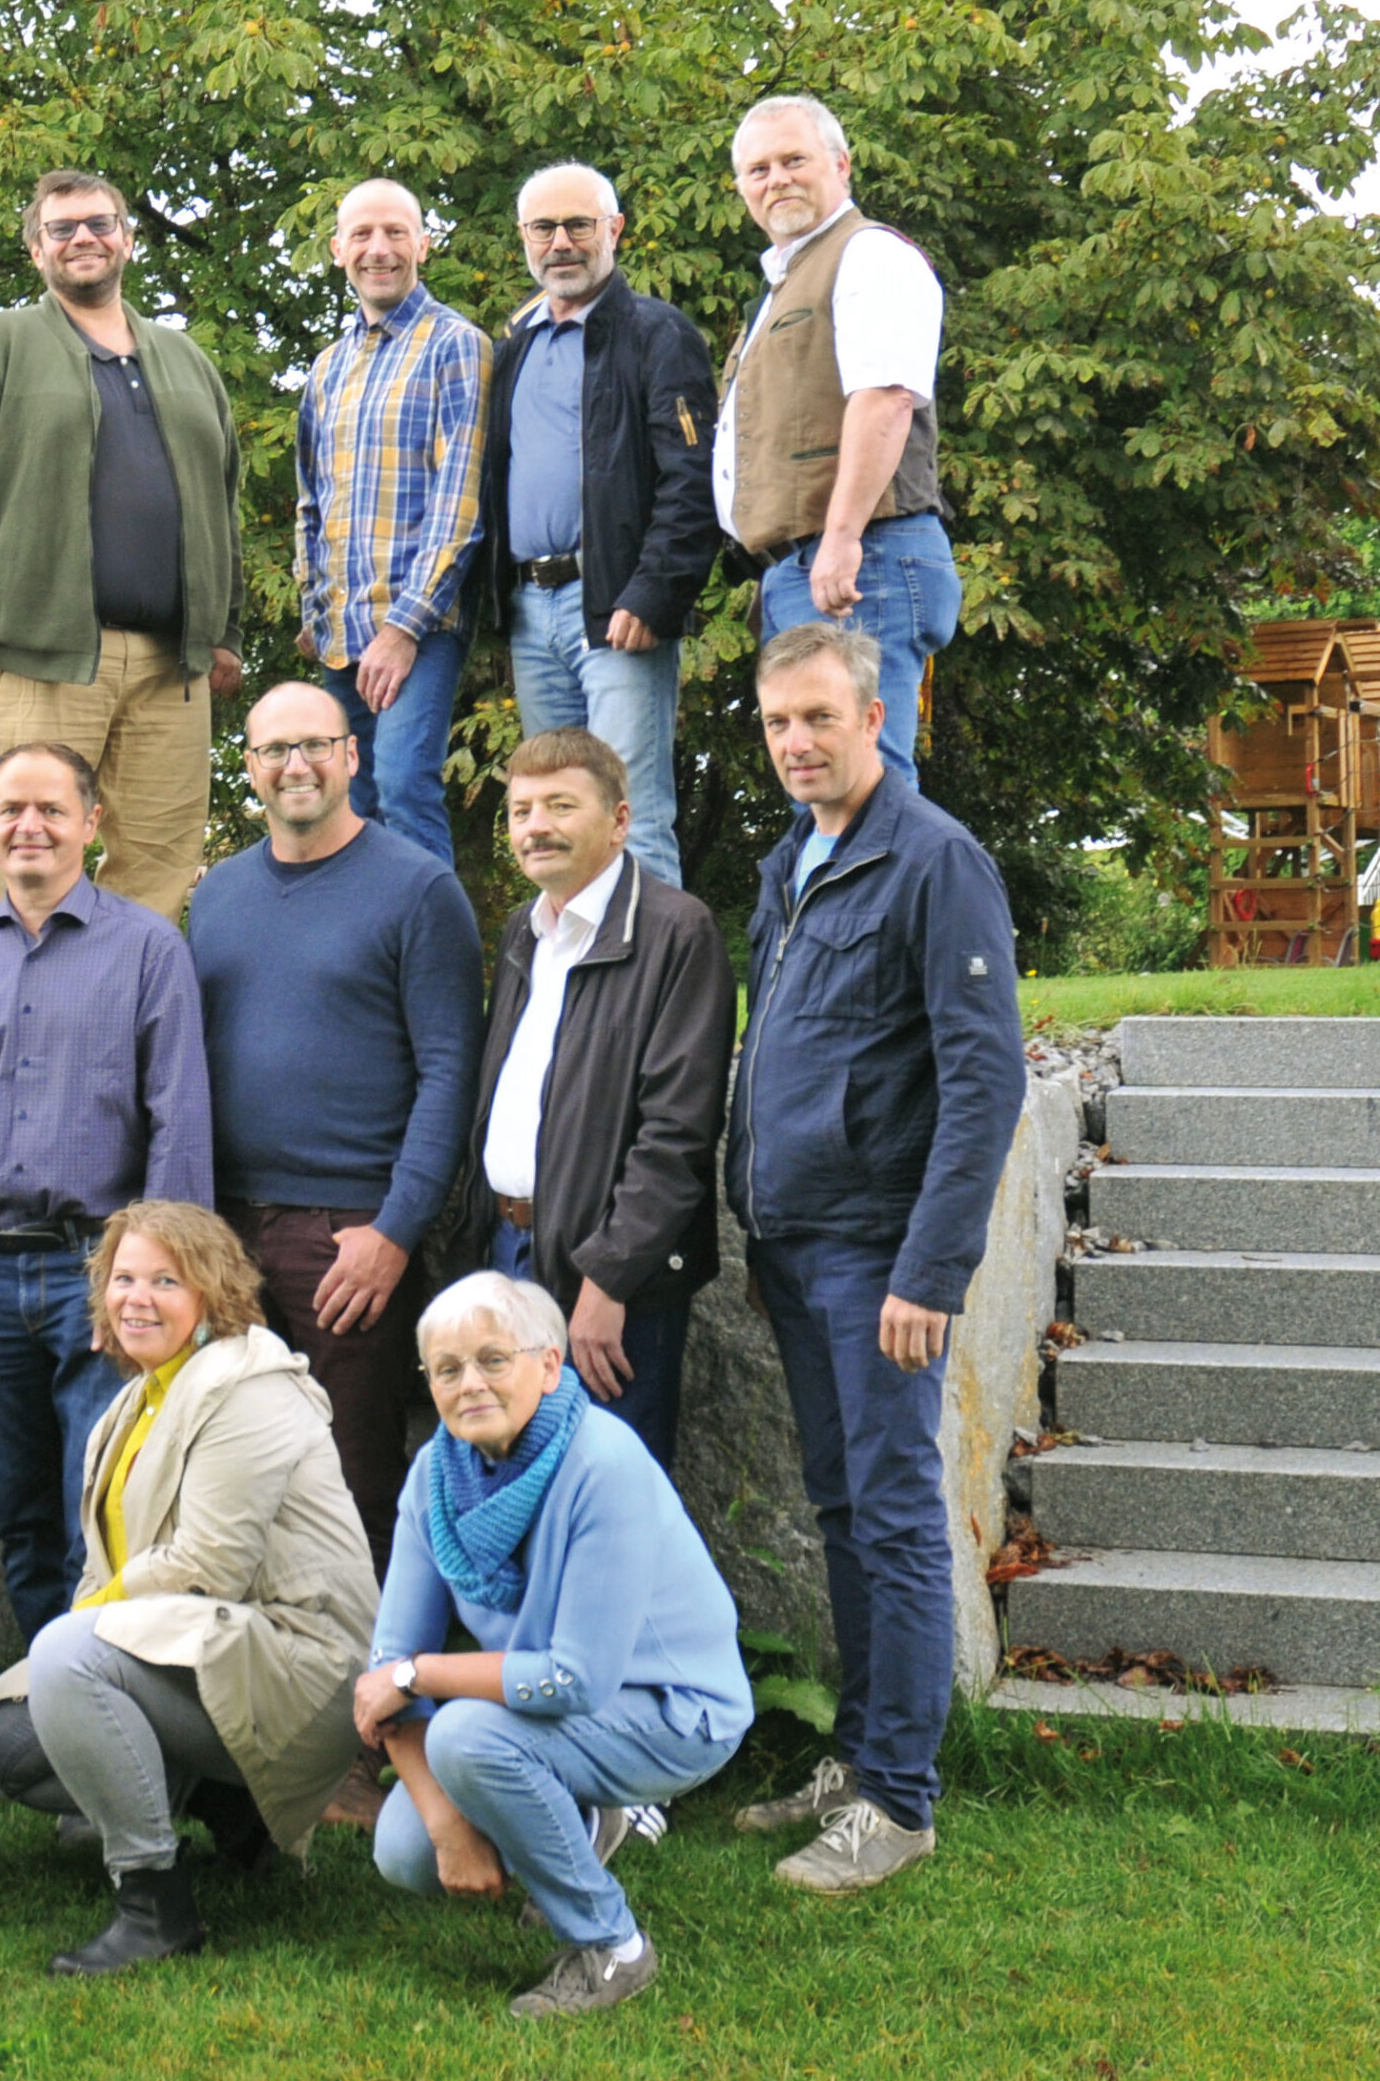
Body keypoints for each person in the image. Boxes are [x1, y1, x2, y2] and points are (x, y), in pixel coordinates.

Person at [725, 622, 1025, 1892]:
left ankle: (899, 1801)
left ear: (873, 717)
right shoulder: (792, 859)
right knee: (844, 1511)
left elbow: (984, 1078)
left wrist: (930, 1269)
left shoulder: (934, 861)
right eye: (778, 722)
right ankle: (855, 1753)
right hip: (794, 1247)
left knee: (896, 1517)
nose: (797, 741)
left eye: (818, 719)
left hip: (878, 1260)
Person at [0, 1203, 377, 1975]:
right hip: (213, 1656)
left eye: (165, 1279)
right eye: (122, 1277)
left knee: (67, 1659)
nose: (136, 1297)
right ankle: (236, 1811)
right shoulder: (131, 1406)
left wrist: (82, 1630)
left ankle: (153, 1901)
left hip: (303, 1672)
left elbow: (207, 1565)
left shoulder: (248, 1384)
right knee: (4, 1739)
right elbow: (114, 1574)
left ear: (213, 1292)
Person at [358, 1271, 750, 2022]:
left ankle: (612, 1946)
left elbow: (575, 1678)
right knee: (405, 1851)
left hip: (674, 1711)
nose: (468, 1382)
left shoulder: (604, 1465)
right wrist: (446, 1827)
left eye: (492, 1359)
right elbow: (388, 1664)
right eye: (447, 1368)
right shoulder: (435, 1477)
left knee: (469, 1735)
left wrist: (421, 1673)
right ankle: (589, 1816)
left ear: (549, 1363)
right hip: (546, 1706)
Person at [0, 740, 214, 1642]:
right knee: (22, 1518)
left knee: (108, 1501)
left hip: (103, 1270)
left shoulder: (150, 948)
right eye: (10, 810)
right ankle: (44, 1702)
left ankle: (107, 1695)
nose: (28, 825)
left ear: (90, 823)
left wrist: (152, 1283)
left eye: (49, 809)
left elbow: (177, 1125)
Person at [190, 680, 481, 1577]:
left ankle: (383, 1703)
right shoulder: (219, 895)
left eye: (315, 744)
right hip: (229, 1235)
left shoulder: (419, 889)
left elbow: (450, 1074)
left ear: (352, 753)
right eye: (274, 750)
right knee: (232, 1478)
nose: (296, 765)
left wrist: (393, 1231)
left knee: (358, 1486)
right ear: (249, 767)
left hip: (348, 1238)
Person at [0, 168, 245, 923]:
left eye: (99, 222)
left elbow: (222, 502)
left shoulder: (186, 360)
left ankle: (122, 1030)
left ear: (127, 238)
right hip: (37, 657)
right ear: (37, 251)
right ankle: (4, 1033)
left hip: (172, 665)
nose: (83, 238)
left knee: (160, 868)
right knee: (24, 860)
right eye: (62, 229)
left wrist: (224, 630)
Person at [466, 728, 736, 1475]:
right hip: (510, 1252)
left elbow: (676, 1135)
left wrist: (608, 1280)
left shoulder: (678, 932)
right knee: (512, 1488)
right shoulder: (526, 929)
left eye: (560, 804)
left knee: (605, 1501)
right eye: (521, 810)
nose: (536, 826)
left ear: (619, 820)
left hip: (609, 1279)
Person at [481, 163, 720, 886]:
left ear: (613, 230)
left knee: (630, 813)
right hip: (531, 611)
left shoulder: (657, 333)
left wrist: (653, 594)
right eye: (543, 228)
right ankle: (589, 995)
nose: (561, 242)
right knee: (557, 816)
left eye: (578, 225)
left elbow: (693, 478)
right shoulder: (513, 349)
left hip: (615, 605)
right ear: (523, 238)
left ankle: (659, 997)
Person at [714, 96, 959, 788]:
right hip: (814, 567)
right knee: (829, 790)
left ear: (841, 166)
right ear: (741, 189)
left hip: (861, 561)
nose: (776, 180)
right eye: (758, 169)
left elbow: (885, 401)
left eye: (795, 160)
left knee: (863, 788)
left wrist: (843, 535)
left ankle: (899, 903)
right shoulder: (785, 282)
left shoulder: (870, 255)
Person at [294, 178, 491, 867]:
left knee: (407, 790)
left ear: (423, 245)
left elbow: (460, 504)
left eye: (396, 233)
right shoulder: (326, 369)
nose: (379, 249)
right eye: (363, 235)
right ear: (338, 249)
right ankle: (373, 970)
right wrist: (312, 611)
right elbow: (310, 503)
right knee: (350, 810)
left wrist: (404, 629)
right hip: (341, 633)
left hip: (420, 626)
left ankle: (436, 972)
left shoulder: (456, 346)